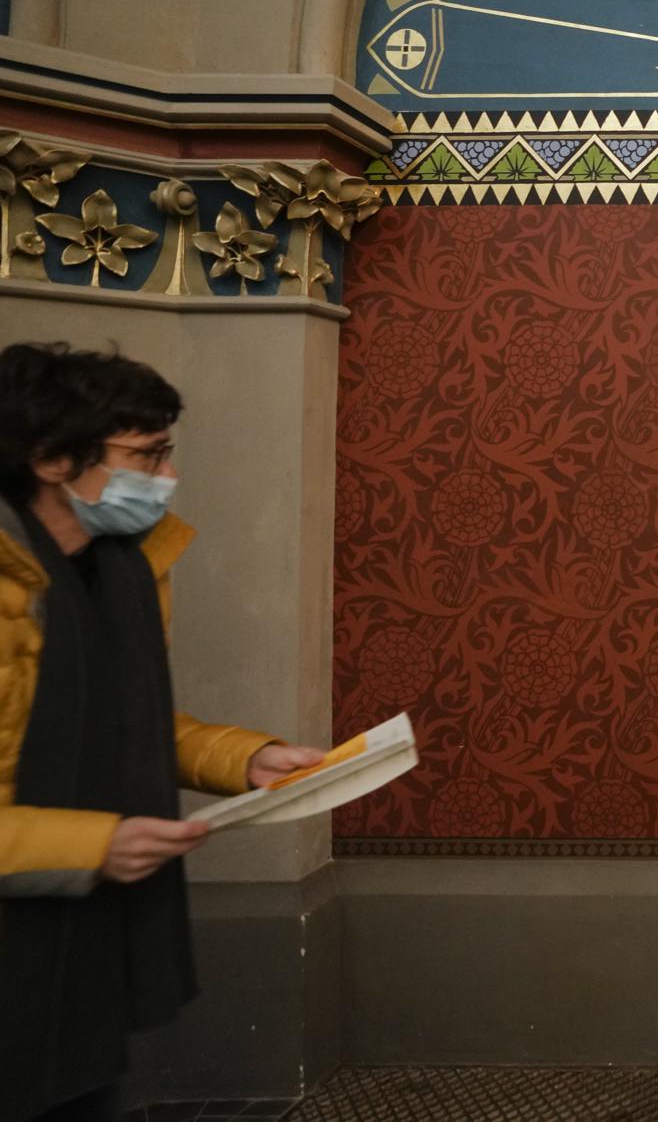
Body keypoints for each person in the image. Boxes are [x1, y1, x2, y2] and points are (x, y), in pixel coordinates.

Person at [0, 342, 326, 1122]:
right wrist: (90, 846)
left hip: (82, 935)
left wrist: (245, 758)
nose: (167, 478)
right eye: (145, 456)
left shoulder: (121, 564)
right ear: (50, 457)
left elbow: (120, 717)